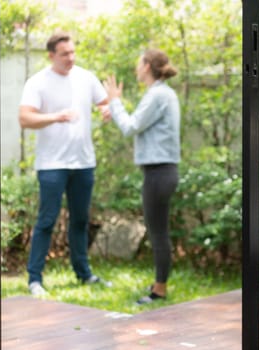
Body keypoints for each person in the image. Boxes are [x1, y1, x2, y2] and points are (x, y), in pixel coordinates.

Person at [19, 31, 112, 296]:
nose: (70, 57)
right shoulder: (38, 82)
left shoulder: (85, 77)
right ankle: (35, 279)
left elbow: (104, 103)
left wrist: (106, 110)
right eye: (64, 54)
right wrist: (56, 116)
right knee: (47, 220)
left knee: (80, 220)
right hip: (52, 165)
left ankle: (84, 274)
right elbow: (25, 119)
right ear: (51, 56)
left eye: (72, 52)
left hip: (83, 162)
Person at [102, 48, 181, 304]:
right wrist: (114, 108)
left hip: (159, 172)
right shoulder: (162, 93)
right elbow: (136, 122)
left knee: (158, 232)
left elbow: (130, 126)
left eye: (139, 63)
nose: (137, 68)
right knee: (159, 230)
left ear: (147, 66)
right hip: (162, 171)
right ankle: (160, 282)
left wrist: (114, 100)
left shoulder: (157, 94)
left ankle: (159, 290)